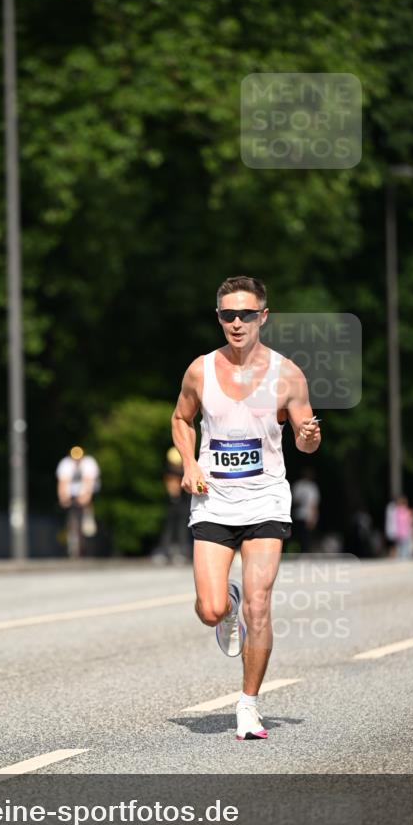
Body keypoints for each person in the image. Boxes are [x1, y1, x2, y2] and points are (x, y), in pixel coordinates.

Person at [171, 276, 321, 741]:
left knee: (259, 605)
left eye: (246, 314)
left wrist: (309, 437)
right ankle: (226, 606)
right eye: (228, 315)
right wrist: (190, 462)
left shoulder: (287, 375)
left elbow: (305, 439)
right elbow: (181, 418)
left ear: (263, 316)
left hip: (265, 500)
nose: (237, 323)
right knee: (210, 609)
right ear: (219, 318)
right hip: (214, 501)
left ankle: (248, 705)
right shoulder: (200, 370)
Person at [56, 446, 101, 558]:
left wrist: (86, 497)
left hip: (88, 491)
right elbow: (63, 482)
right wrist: (63, 498)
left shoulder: (89, 463)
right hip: (72, 493)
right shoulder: (65, 464)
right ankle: (70, 543)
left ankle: (88, 524)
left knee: (86, 517)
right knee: (69, 517)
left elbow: (89, 482)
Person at [153, 446, 191, 564]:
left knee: (183, 529)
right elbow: (171, 488)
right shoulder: (169, 472)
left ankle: (183, 552)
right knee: (169, 529)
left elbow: (197, 487)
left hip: (185, 503)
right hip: (172, 504)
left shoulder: (188, 470)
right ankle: (164, 552)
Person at [291, 468, 320, 552]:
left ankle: (305, 555)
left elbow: (314, 504)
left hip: (307, 517)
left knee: (306, 539)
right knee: (296, 538)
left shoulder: (313, 486)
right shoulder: (298, 485)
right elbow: (294, 501)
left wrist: (314, 518)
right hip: (297, 516)